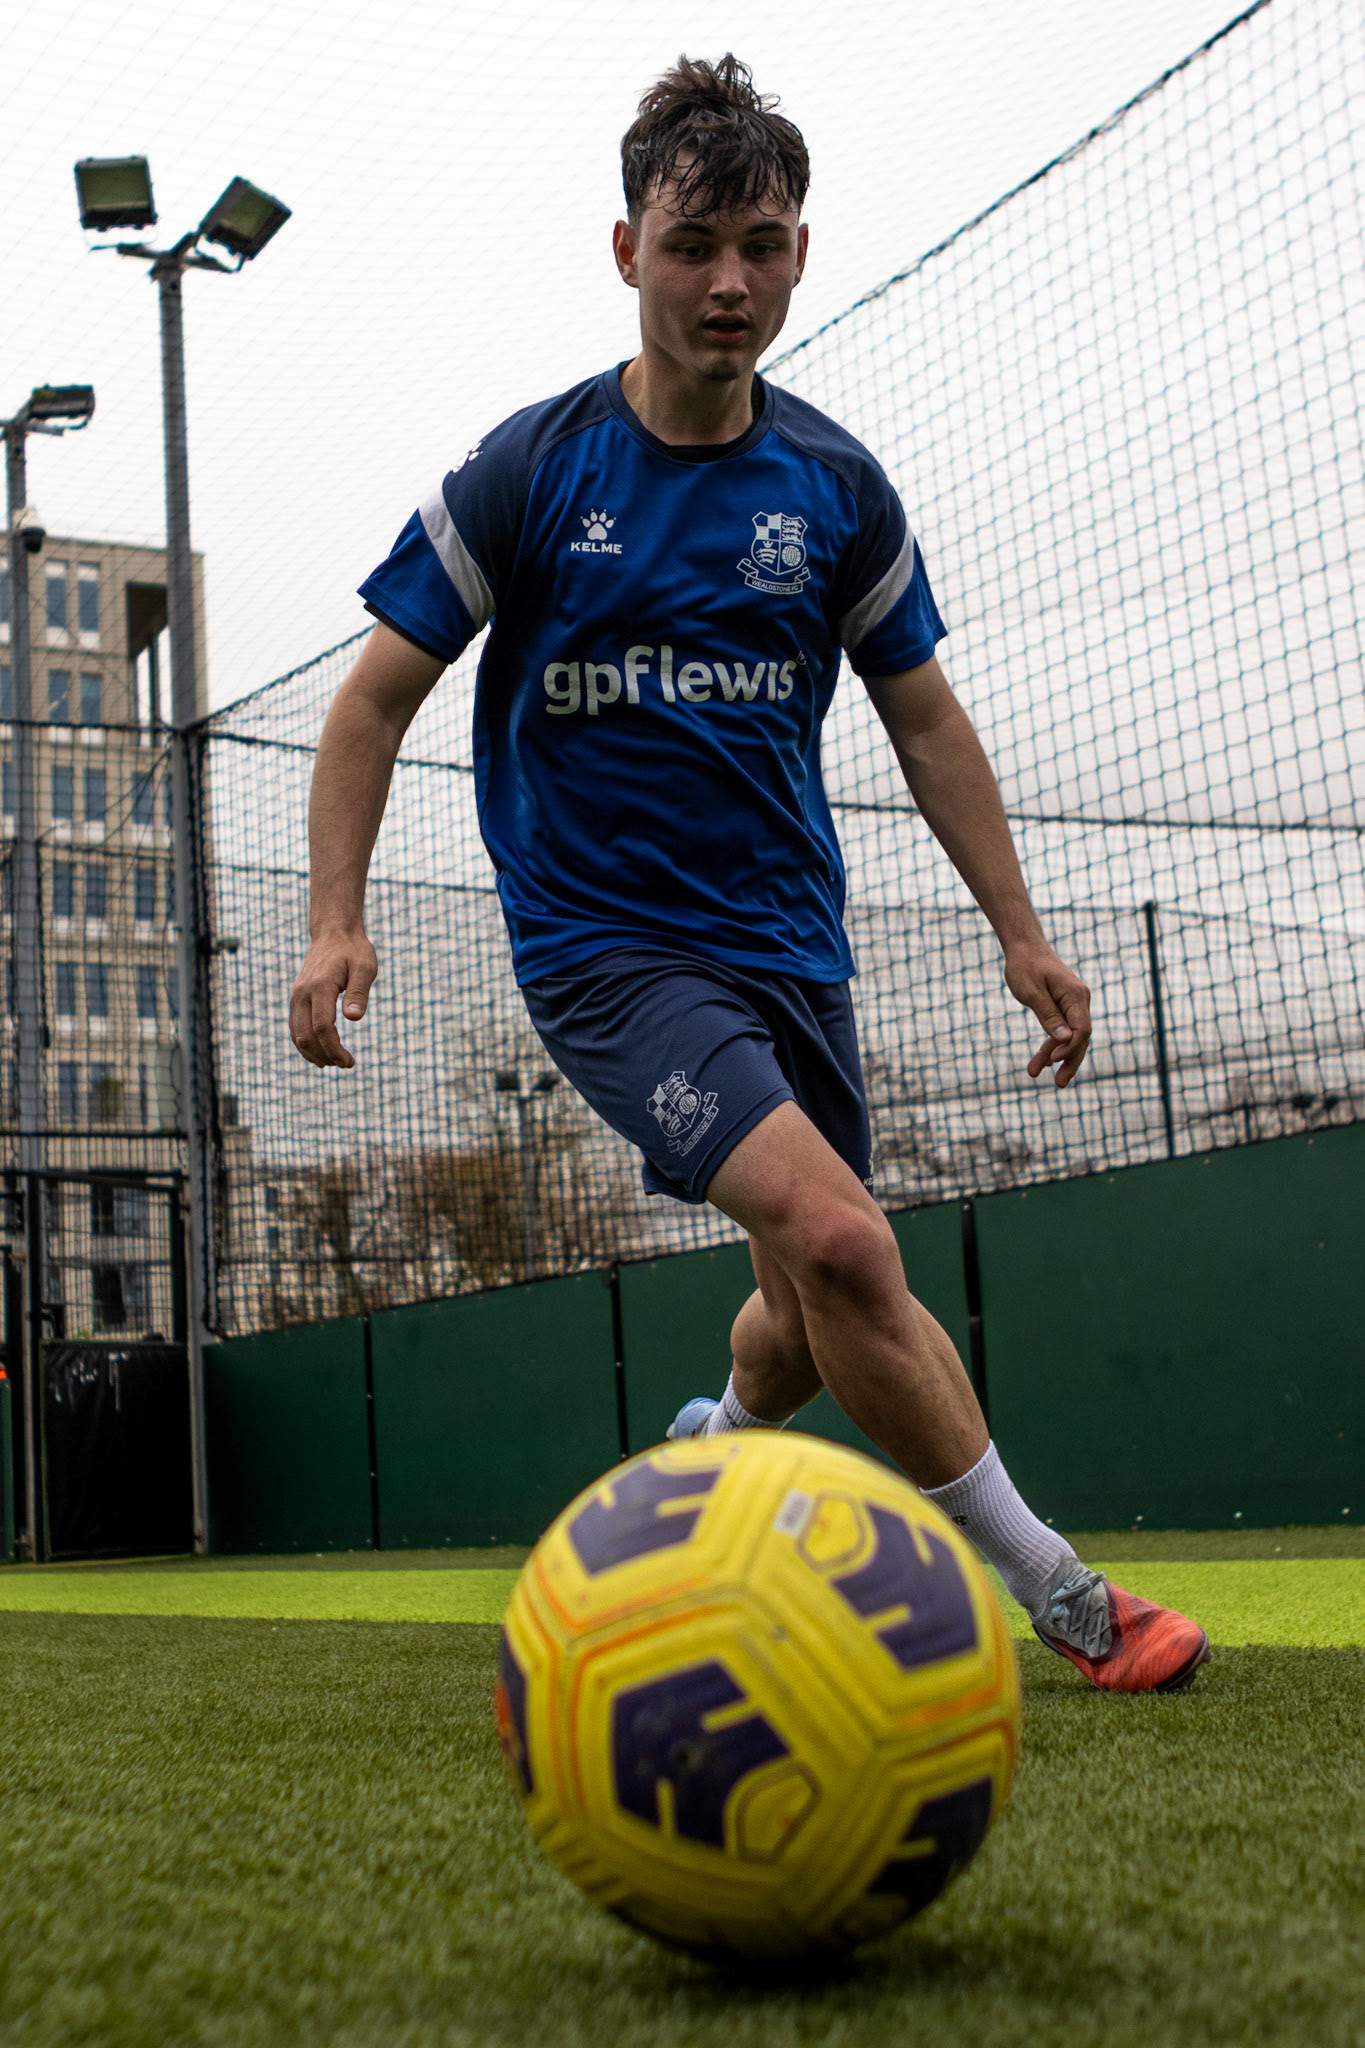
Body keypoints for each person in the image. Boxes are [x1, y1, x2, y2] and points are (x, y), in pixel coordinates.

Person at [290, 54, 1207, 1693]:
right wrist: (334, 920)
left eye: (761, 245)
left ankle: (710, 1443)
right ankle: (1067, 1599)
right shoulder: (529, 471)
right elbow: (370, 701)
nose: (729, 280)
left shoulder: (834, 489)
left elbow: (923, 718)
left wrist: (1019, 931)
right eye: (693, 242)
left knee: (799, 1299)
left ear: (797, 256)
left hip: (792, 946)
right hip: (605, 954)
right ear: (625, 251)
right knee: (847, 1244)